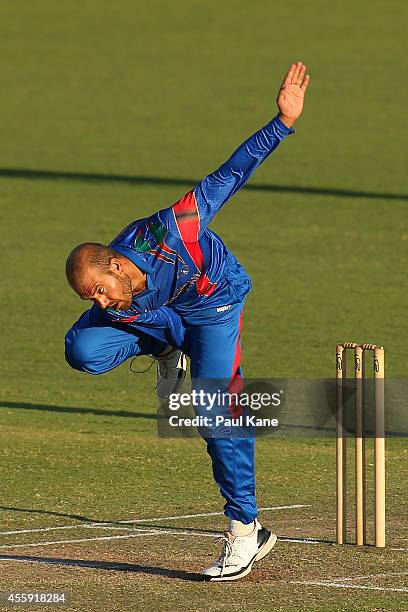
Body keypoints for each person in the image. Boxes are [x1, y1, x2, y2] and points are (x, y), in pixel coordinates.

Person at [65, 62, 309, 581]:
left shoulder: (179, 226)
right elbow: (109, 311)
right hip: (162, 319)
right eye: (92, 298)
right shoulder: (118, 290)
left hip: (212, 306)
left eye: (99, 292)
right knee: (82, 348)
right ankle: (164, 349)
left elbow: (233, 171)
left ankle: (247, 531)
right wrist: (124, 317)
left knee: (214, 412)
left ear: (114, 264)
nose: (101, 303)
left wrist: (282, 122)